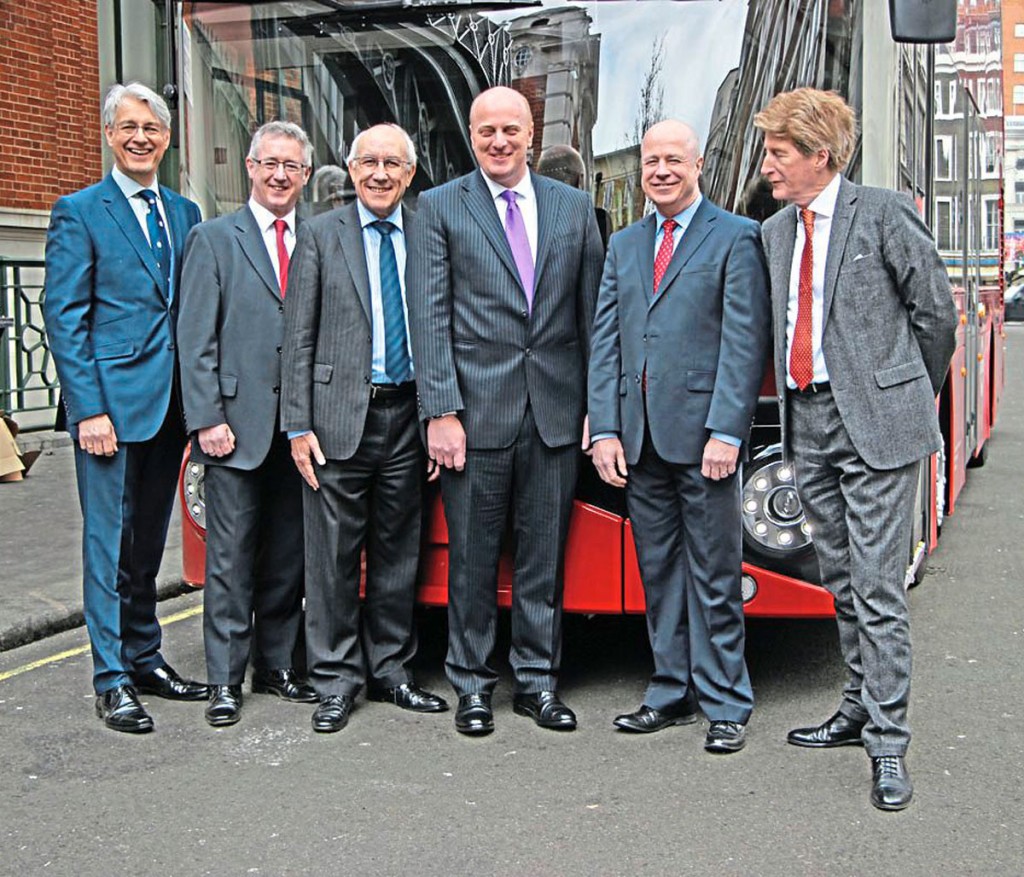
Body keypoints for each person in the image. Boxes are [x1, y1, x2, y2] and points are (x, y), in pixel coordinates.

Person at [754, 88, 957, 809]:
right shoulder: (777, 232)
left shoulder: (883, 213)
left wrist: (901, 396)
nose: (767, 164)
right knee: (837, 575)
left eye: (779, 152)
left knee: (876, 585)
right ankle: (857, 702)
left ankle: (890, 744)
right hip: (807, 422)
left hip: (875, 422)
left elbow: (936, 314)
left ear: (821, 155)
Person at [407, 86, 604, 736]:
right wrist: (439, 411)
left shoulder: (575, 208)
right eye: (486, 130)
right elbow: (428, 320)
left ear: (530, 133)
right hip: (474, 416)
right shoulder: (438, 208)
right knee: (472, 558)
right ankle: (471, 684)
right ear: (471, 134)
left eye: (510, 129)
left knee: (542, 558)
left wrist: (595, 407)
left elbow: (594, 318)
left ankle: (538, 683)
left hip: (553, 412)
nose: (498, 140)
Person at [588, 120, 771, 754]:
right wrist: (604, 428)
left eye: (673, 160)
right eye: (651, 161)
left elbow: (745, 345)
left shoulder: (737, 237)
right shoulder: (625, 246)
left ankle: (726, 700)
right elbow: (606, 341)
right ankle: (669, 690)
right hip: (639, 441)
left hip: (704, 441)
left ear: (698, 166)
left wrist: (727, 430)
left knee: (716, 573)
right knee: (658, 571)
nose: (661, 171)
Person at [42, 82, 207, 733]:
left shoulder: (185, 212)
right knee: (107, 547)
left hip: (168, 408)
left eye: (153, 127)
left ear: (167, 138)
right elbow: (65, 315)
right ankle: (111, 678)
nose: (141, 136)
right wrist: (88, 410)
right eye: (129, 126)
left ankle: (144, 656)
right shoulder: (79, 211)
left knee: (145, 547)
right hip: (108, 411)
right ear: (110, 134)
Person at [281, 123, 448, 733]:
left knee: (398, 550)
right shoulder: (320, 236)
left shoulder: (430, 231)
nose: (380, 174)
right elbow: (296, 338)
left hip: (408, 414)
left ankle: (392, 670)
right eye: (368, 163)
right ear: (350, 171)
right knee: (330, 557)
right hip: (335, 421)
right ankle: (335, 680)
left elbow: (441, 328)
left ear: (409, 174)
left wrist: (438, 414)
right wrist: (297, 424)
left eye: (392, 165)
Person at [178, 121, 316, 727]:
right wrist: (206, 417)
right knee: (230, 559)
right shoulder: (213, 239)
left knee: (289, 556)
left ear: (305, 176)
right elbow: (195, 338)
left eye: (292, 166)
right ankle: (225, 680)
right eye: (271, 163)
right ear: (251, 170)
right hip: (232, 427)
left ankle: (278, 665)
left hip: (299, 430)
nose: (281, 175)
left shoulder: (317, 239)